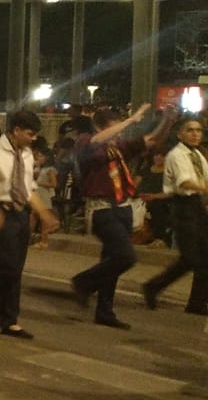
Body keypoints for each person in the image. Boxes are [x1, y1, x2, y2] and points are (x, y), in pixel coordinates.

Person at [71, 104, 174, 328]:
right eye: (114, 129)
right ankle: (83, 281)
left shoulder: (118, 148)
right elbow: (97, 141)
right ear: (100, 127)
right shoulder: (86, 143)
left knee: (112, 259)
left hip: (123, 207)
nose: (118, 134)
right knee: (125, 256)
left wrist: (167, 120)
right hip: (102, 208)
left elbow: (152, 141)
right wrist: (130, 120)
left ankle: (105, 310)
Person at [0, 111, 59, 339]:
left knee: (15, 270)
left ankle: (9, 320)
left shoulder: (26, 154)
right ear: (16, 130)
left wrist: (43, 213)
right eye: (30, 133)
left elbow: (28, 189)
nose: (33, 138)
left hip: (20, 215)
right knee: (10, 266)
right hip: (0, 211)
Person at [142, 117, 208, 314]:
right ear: (180, 134)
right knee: (191, 258)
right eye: (190, 130)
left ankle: (196, 303)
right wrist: (205, 189)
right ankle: (153, 286)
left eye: (198, 130)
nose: (195, 134)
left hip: (197, 206)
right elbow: (183, 182)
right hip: (183, 207)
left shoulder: (197, 155)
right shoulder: (177, 155)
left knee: (204, 257)